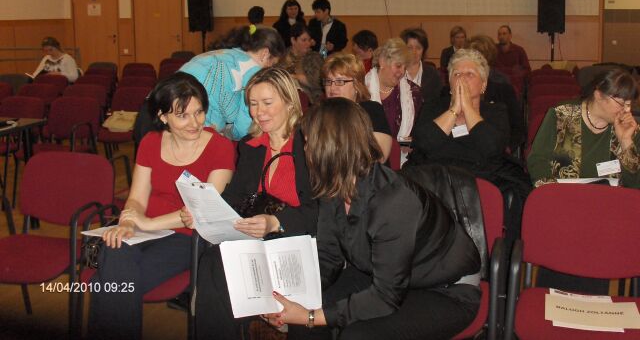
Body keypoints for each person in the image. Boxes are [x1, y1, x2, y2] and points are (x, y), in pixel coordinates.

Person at [263, 97, 481, 340]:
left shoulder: (393, 202)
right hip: (382, 274)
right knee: (306, 313)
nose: (305, 150)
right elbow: (328, 258)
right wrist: (290, 299)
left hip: (445, 290)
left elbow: (386, 297)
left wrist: (311, 316)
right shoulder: (333, 188)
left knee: (356, 335)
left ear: (329, 148)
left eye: (308, 142)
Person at [88, 72, 235, 340]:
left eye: (199, 112)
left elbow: (202, 212)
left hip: (189, 237)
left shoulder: (221, 147)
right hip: (144, 230)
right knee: (116, 251)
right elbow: (136, 198)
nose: (195, 123)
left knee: (108, 284)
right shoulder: (151, 142)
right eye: (183, 115)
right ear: (163, 116)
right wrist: (128, 223)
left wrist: (147, 222)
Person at [192, 67, 318, 339]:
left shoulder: (310, 145)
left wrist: (276, 222)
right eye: (253, 104)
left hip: (296, 242)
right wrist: (205, 212)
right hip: (255, 242)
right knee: (214, 261)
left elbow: (322, 211)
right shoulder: (251, 146)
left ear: (289, 101)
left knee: (223, 268)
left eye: (267, 103)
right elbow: (235, 196)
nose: (258, 112)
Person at [408, 49, 530, 241]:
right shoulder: (433, 107)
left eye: (470, 74)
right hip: (435, 174)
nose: (462, 79)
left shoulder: (496, 111)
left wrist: (467, 107)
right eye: (457, 74)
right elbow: (424, 143)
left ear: (483, 85)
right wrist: (455, 109)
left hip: (481, 175)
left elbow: (491, 147)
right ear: (449, 82)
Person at [528, 67, 640, 189]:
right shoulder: (561, 116)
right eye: (622, 104)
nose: (627, 110)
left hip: (610, 198)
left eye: (630, 104)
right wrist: (553, 192)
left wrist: (625, 142)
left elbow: (634, 185)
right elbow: (538, 161)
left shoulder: (629, 129)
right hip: (563, 195)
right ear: (599, 96)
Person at [180, 25, 285, 140]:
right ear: (265, 54)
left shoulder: (224, 54)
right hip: (197, 128)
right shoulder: (254, 72)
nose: (269, 70)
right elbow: (244, 128)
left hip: (176, 116)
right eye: (272, 64)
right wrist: (231, 135)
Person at [322, 53, 392, 162]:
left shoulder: (372, 111)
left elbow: (379, 156)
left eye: (340, 81)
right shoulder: (320, 114)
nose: (332, 88)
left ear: (356, 84)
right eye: (328, 81)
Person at [469, 34, 524, 152]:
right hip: (465, 145)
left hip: (496, 146)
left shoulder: (501, 85)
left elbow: (517, 126)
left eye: (480, 56)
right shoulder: (461, 84)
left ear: (488, 58)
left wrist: (508, 148)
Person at [365, 38, 422, 143]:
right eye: (398, 66)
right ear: (382, 61)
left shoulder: (413, 92)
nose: (402, 72)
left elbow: (419, 131)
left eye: (405, 68)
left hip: (401, 152)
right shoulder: (362, 90)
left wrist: (412, 141)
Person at [400, 27, 443, 104]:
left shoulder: (433, 74)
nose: (414, 52)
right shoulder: (396, 73)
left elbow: (438, 102)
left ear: (424, 50)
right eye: (410, 48)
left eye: (418, 48)